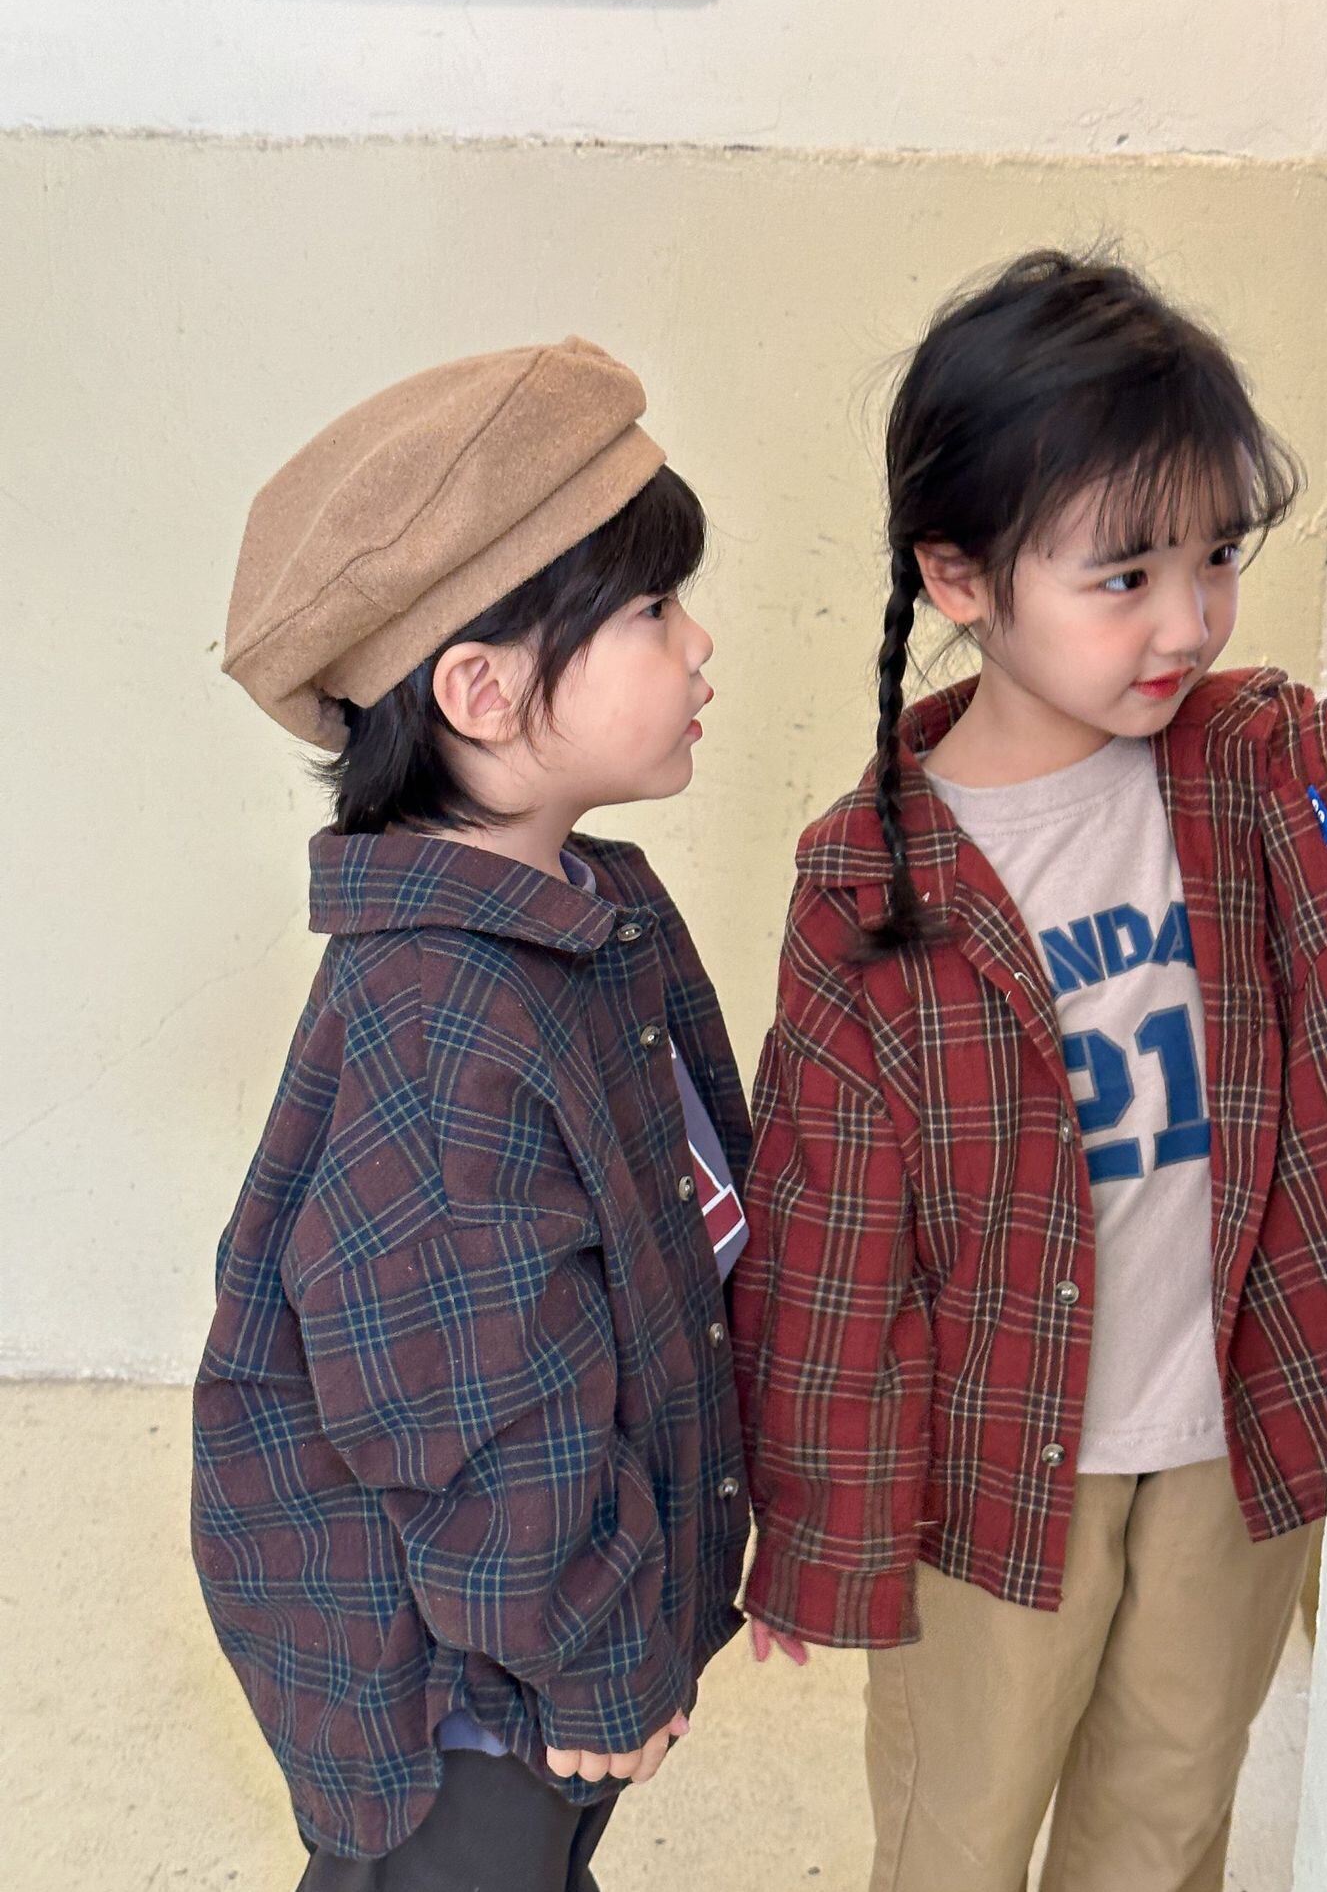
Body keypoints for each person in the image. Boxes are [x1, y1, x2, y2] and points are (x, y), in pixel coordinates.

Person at [729, 250, 1327, 1892]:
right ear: (960, 576)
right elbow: (826, 1237)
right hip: (993, 1471)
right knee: (960, 1829)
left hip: (1233, 1438)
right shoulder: (870, 886)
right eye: (1124, 575)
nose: (1187, 621)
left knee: (1168, 1818)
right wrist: (816, 1531)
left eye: (1216, 557)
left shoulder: (1265, 770)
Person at [191, 338, 752, 1892]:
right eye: (653, 612)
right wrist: (597, 1658)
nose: (699, 642)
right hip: (463, 1694)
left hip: (539, 1639)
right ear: (483, 691)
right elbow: (476, 1416)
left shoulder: (588, 912)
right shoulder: (444, 1020)